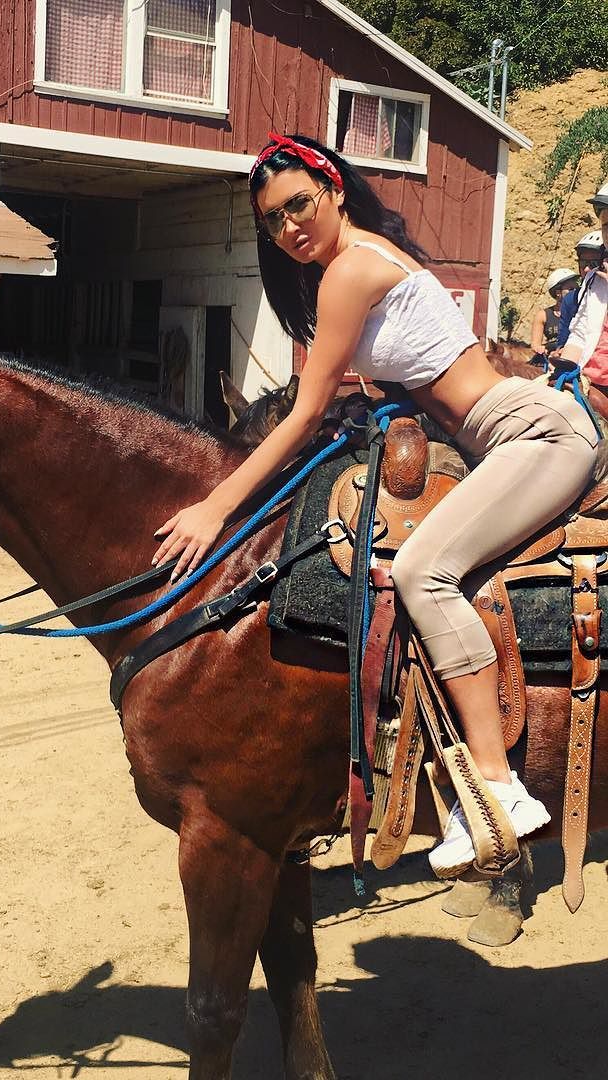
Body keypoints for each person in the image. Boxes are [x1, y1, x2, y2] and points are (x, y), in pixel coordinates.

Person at [153, 133, 598, 877]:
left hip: (531, 433)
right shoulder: (366, 260)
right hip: (505, 431)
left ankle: (498, 786)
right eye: (272, 220)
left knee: (424, 571)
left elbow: (300, 412)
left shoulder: (351, 271)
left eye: (299, 204)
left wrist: (215, 506)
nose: (289, 226)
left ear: (332, 189)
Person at [557, 183, 608, 389]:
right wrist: (560, 374)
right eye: (606, 225)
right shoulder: (594, 280)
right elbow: (579, 333)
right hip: (591, 383)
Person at [556, 227, 607, 351]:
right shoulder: (571, 300)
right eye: (583, 264)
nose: (586, 270)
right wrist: (560, 351)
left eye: (593, 264)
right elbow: (566, 341)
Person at [531, 267, 579, 361]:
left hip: (574, 354)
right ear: (558, 293)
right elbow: (535, 344)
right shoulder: (543, 315)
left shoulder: (581, 313)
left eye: (577, 289)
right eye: (571, 289)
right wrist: (540, 349)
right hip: (551, 357)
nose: (575, 292)